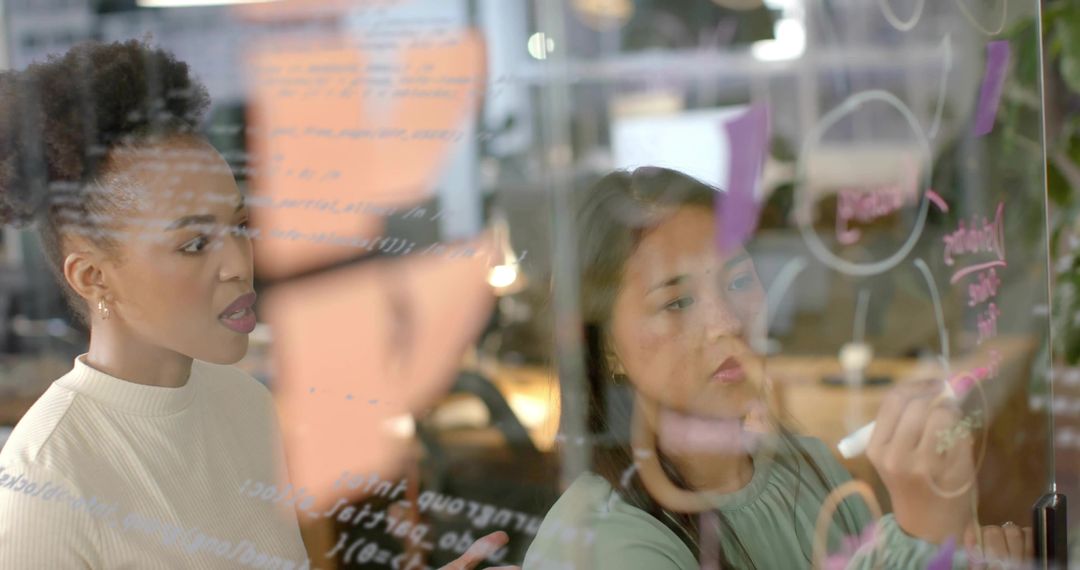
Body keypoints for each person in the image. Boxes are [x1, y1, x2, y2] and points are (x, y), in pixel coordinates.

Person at [0, 39, 514, 569]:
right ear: (92, 277)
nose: (237, 263)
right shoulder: (47, 477)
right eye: (195, 243)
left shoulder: (245, 404)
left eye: (240, 225)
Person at [523, 167, 1031, 569]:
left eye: (739, 281)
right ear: (605, 343)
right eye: (676, 303)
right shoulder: (603, 543)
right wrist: (925, 532)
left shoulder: (805, 466)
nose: (726, 322)